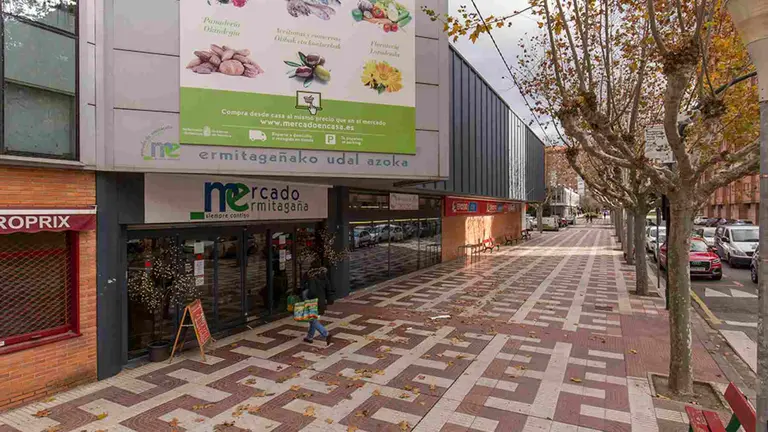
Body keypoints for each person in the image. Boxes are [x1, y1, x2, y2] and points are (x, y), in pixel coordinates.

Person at [302, 267, 333, 345]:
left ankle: (326, 334)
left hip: (313, 302)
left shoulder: (312, 279)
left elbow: (312, 292)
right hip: (321, 302)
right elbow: (329, 290)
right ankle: (309, 337)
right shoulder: (325, 278)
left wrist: (306, 294)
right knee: (313, 319)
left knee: (312, 319)